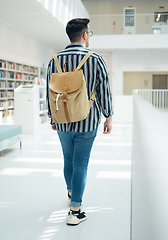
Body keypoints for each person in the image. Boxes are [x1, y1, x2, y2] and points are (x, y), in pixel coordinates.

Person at [46, 18, 113, 226]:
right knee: (81, 163)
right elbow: (104, 90)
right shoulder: (95, 59)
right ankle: (75, 211)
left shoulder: (54, 60)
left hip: (62, 121)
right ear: (85, 35)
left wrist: (52, 117)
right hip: (88, 120)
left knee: (68, 159)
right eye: (89, 34)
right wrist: (108, 115)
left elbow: (48, 92)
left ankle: (71, 192)